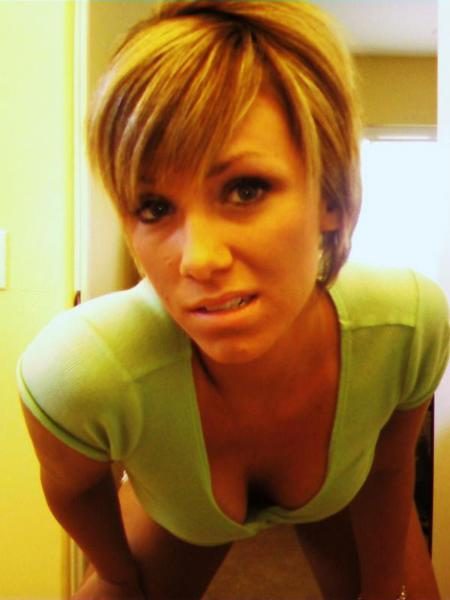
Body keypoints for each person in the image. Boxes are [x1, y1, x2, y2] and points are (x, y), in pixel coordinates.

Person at [18, 1, 449, 599]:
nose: (198, 259)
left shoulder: (407, 327)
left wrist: (382, 588)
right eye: (154, 207)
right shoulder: (80, 372)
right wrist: (117, 573)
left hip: (343, 491)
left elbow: (388, 468)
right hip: (183, 509)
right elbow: (72, 488)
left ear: (330, 198)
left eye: (245, 190)